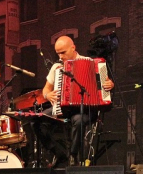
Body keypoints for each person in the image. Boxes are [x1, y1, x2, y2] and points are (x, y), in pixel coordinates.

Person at [42, 36, 114, 166]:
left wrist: (109, 85)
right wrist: (48, 95)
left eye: (63, 52)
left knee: (79, 119)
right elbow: (46, 89)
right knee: (37, 120)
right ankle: (59, 153)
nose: (60, 57)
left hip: (86, 109)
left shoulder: (90, 62)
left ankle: (73, 155)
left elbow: (104, 83)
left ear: (73, 48)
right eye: (58, 53)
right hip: (62, 108)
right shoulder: (57, 67)